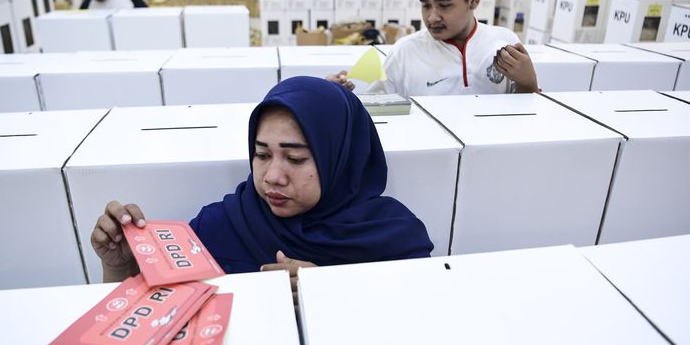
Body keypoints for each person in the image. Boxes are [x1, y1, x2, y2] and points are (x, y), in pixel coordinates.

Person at [92, 76, 434, 291]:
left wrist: (335, 292)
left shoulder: (395, 239)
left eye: (296, 159)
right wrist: (119, 266)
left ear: (340, 159)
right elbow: (141, 321)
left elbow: (421, 327)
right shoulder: (218, 227)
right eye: (261, 154)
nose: (272, 176)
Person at [329, 0, 539, 97]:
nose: (432, 17)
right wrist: (335, 95)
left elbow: (523, 115)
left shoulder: (503, 42)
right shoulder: (405, 52)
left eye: (444, 5)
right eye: (426, 5)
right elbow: (374, 113)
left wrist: (528, 82)